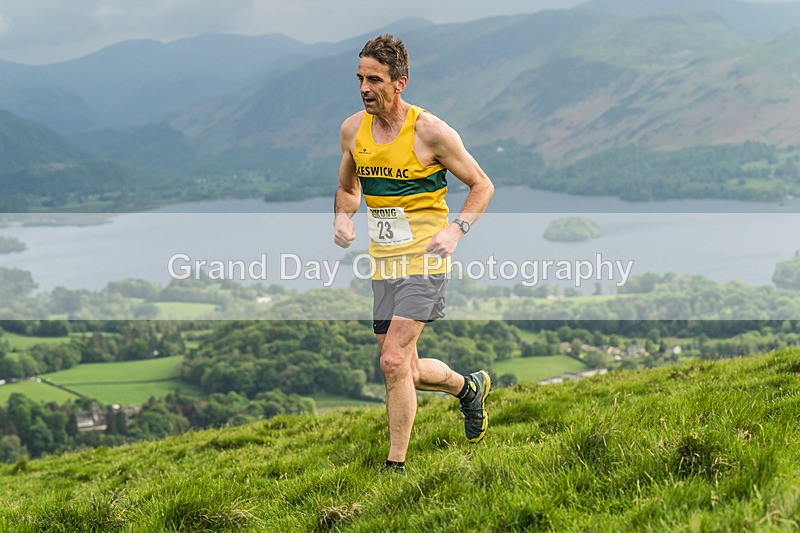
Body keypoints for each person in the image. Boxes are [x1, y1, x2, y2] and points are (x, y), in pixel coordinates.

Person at [333, 34, 495, 476]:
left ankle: (396, 466)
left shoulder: (430, 132)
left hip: (425, 261)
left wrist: (456, 229)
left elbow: (482, 185)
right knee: (407, 367)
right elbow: (349, 188)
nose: (365, 88)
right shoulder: (353, 130)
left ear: (400, 82)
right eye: (360, 79)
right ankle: (469, 388)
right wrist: (343, 218)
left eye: (375, 80)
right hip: (384, 263)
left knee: (390, 362)